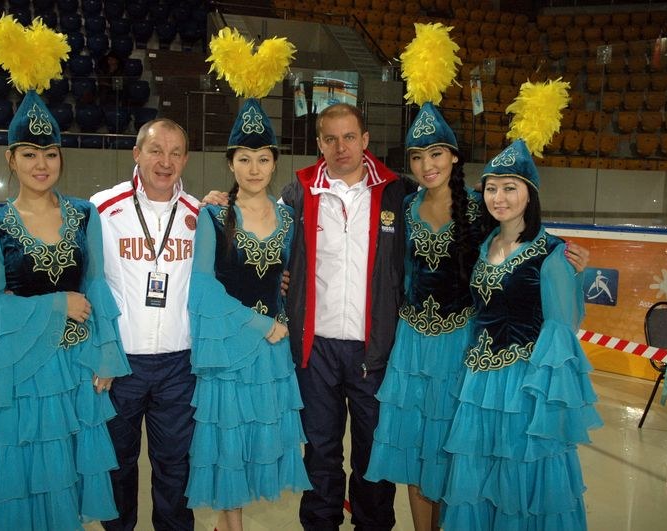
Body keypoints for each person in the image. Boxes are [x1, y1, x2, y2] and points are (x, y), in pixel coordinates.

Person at [0, 15, 131, 529]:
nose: (41, 164)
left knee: (69, 479)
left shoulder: (84, 215)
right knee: (23, 476)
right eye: (29, 154)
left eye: (50, 154)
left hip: (75, 367)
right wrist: (55, 304)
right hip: (23, 370)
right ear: (11, 160)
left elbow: (96, 284)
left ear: (60, 158)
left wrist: (104, 354)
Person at [442, 80, 602, 530]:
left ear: (529, 194)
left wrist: (576, 275)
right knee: (482, 480)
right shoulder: (486, 245)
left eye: (510, 188)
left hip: (523, 387)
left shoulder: (552, 253)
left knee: (520, 482)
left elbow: (563, 326)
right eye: (492, 188)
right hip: (481, 383)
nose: (499, 198)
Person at [185, 28, 310, 531]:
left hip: (273, 350)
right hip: (228, 344)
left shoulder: (288, 219)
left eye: (263, 159)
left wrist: (280, 318)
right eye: (244, 159)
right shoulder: (214, 217)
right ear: (230, 163)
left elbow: (293, 277)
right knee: (227, 440)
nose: (254, 168)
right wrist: (261, 325)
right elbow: (201, 287)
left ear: (275, 163)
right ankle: (228, 524)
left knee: (258, 440)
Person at [363, 23, 481, 531]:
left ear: (453, 156)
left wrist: (564, 251)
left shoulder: (481, 211)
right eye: (417, 156)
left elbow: (524, 243)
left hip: (460, 346)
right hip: (411, 347)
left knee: (452, 457)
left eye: (436, 154)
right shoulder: (401, 208)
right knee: (413, 456)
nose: (427, 164)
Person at [282, 102, 413, 530]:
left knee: (375, 451)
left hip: (373, 350)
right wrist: (219, 204)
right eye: (331, 139)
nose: (341, 147)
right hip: (315, 349)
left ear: (366, 140)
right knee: (320, 451)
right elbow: (258, 236)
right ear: (319, 143)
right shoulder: (299, 192)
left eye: (349, 137)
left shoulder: (398, 193)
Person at [90, 117, 200, 531]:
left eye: (175, 153)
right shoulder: (102, 208)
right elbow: (88, 283)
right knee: (116, 464)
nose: (165, 161)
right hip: (119, 366)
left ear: (186, 160)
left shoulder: (200, 215)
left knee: (176, 465)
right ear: (137, 154)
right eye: (156, 150)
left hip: (179, 365)